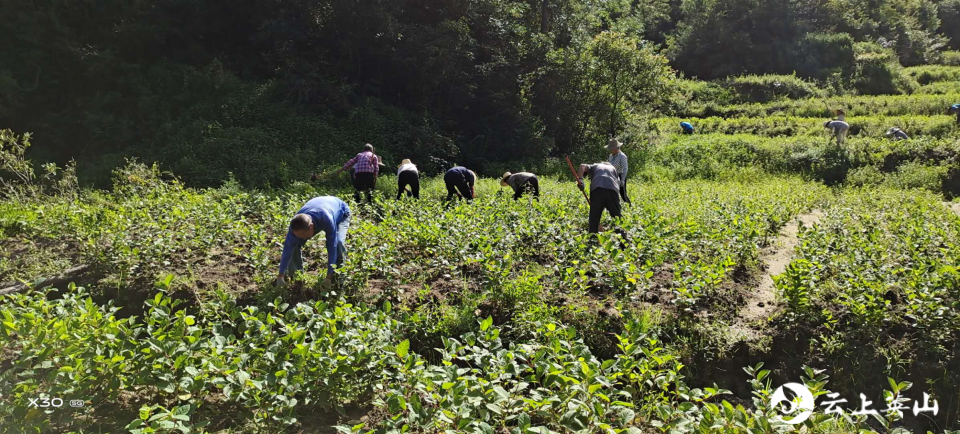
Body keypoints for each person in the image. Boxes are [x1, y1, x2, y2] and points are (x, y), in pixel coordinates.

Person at [277, 196, 351, 288]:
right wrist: (280, 275)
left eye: (304, 235)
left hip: (341, 213)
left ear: (311, 226)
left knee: (339, 242)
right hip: (322, 207)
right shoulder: (295, 224)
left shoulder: (326, 219)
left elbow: (332, 247)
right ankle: (297, 277)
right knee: (295, 243)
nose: (303, 238)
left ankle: (337, 278)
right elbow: (288, 248)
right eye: (300, 236)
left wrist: (328, 277)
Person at [576, 162, 621, 234]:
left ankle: (593, 237)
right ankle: (622, 237)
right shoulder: (613, 169)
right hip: (613, 190)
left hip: (597, 189)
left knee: (594, 217)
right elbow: (617, 184)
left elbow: (582, 166)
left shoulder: (595, 165)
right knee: (617, 216)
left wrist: (580, 180)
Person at [606, 139, 630, 205]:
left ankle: (629, 206)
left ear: (616, 148)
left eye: (611, 149)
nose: (610, 150)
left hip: (620, 175)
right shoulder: (611, 156)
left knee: (623, 194)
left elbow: (625, 168)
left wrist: (623, 180)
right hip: (612, 175)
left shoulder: (622, 156)